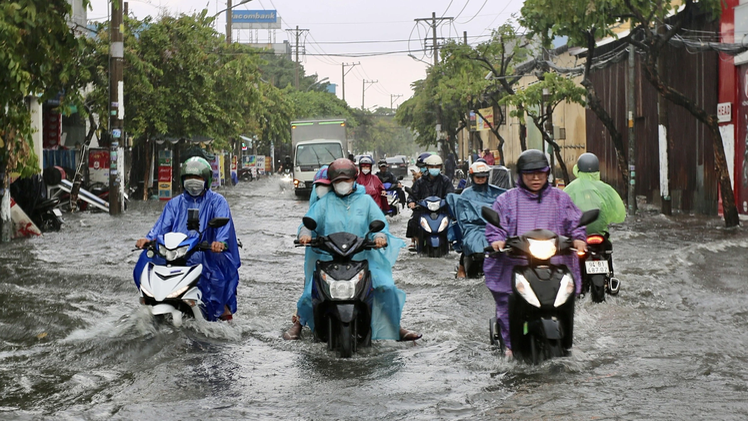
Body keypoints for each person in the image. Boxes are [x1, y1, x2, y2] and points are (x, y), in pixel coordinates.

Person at [284, 158, 421, 341]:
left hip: (362, 258)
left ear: (354, 179)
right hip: (329, 260)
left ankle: (395, 327)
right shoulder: (324, 203)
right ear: (332, 182)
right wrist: (305, 234)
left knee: (386, 288)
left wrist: (379, 237)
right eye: (338, 181)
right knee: (310, 294)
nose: (342, 184)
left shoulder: (365, 201)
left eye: (346, 180)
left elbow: (379, 224)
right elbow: (308, 222)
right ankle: (299, 323)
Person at [484, 149, 586, 358]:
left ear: (547, 173)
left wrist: (579, 238)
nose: (536, 178)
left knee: (565, 299)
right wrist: (497, 241)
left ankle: (566, 341)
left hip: (555, 263)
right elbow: (496, 227)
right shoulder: (507, 200)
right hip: (516, 263)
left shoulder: (561, 198)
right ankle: (510, 344)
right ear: (520, 175)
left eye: (541, 173)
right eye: (530, 173)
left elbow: (575, 222)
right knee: (507, 298)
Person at [134, 157, 241, 321]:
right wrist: (148, 239)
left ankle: (223, 319)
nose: (194, 182)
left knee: (219, 286)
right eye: (189, 177)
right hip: (177, 256)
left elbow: (223, 228)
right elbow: (161, 227)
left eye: (198, 178)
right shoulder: (174, 204)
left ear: (207, 180)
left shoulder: (217, 202)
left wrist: (219, 243)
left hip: (208, 257)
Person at [563, 152, 626, 281]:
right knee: (607, 252)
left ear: (578, 169)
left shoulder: (570, 189)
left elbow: (562, 212)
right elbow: (618, 212)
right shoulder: (606, 188)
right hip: (600, 234)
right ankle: (610, 278)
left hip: (579, 237)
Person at [448, 161, 506, 278]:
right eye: (477, 177)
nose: (480, 179)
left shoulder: (496, 192)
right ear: (472, 177)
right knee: (470, 243)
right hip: (473, 228)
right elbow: (462, 217)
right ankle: (462, 269)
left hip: (493, 226)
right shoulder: (466, 194)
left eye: (483, 177)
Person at [407, 154, 455, 250]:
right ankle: (417, 242)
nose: (434, 169)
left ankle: (451, 242)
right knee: (413, 222)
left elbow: (451, 194)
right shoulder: (420, 182)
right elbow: (413, 194)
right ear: (427, 167)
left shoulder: (445, 181)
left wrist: (450, 201)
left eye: (437, 167)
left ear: (441, 167)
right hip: (423, 211)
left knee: (454, 222)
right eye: (432, 167)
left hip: (441, 210)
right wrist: (411, 201)